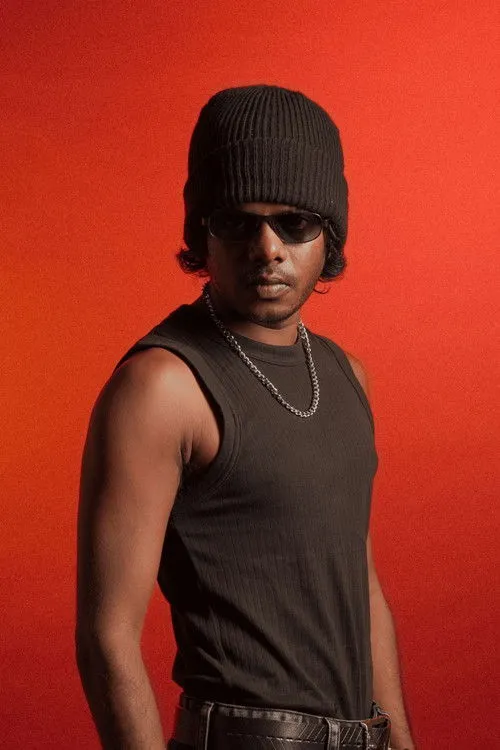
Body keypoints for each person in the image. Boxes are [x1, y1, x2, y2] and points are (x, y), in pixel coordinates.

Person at [76, 85, 415, 750]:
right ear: (201, 232)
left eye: (295, 222)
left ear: (329, 233)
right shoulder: (162, 386)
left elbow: (359, 586)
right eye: (237, 221)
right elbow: (106, 636)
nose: (268, 249)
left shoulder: (347, 376)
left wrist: (400, 742)